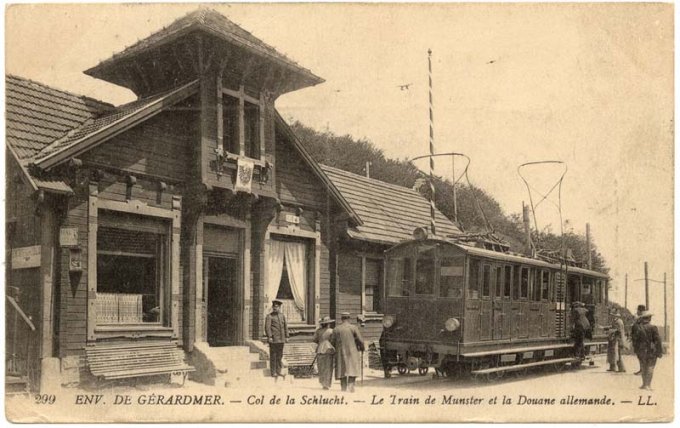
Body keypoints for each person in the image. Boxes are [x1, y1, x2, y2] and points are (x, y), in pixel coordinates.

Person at [332, 312, 365, 392]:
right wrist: (362, 348)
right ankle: (351, 385)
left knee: (341, 368)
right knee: (352, 368)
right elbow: (360, 340)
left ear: (342, 319)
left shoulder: (336, 329)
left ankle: (343, 387)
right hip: (352, 351)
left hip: (341, 352)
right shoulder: (353, 328)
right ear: (349, 318)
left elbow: (332, 341)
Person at [635, 311, 663, 390]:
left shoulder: (639, 328)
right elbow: (657, 340)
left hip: (641, 350)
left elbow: (636, 340)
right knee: (650, 367)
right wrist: (659, 352)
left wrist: (637, 350)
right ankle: (648, 385)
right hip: (651, 350)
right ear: (649, 318)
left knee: (643, 367)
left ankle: (644, 384)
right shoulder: (653, 327)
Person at [264, 299, 288, 381]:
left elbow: (285, 327)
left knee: (279, 356)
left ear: (279, 307)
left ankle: (278, 371)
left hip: (281, 340)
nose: (275, 308)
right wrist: (269, 336)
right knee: (273, 356)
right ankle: (273, 372)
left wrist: (287, 336)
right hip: (274, 340)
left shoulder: (282, 316)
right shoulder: (269, 316)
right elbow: (267, 328)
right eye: (274, 306)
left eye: (277, 307)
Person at [313, 316, 335, 390]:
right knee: (328, 367)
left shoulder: (318, 331)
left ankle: (323, 383)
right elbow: (333, 340)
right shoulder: (331, 331)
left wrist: (320, 341)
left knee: (321, 367)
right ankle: (327, 384)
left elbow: (314, 339)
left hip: (320, 350)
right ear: (328, 324)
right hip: (329, 349)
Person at [631, 304, 646, 375]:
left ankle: (643, 370)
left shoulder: (643, 317)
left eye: (638, 310)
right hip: (639, 339)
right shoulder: (639, 317)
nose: (636, 311)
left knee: (642, 355)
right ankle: (642, 369)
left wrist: (635, 321)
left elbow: (640, 327)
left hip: (641, 340)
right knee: (640, 355)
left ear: (641, 311)